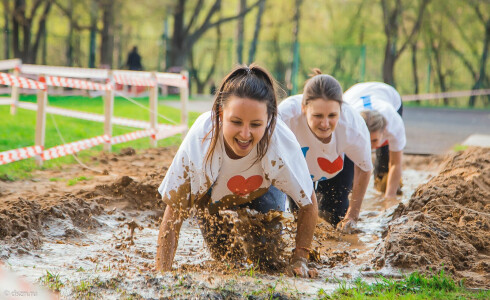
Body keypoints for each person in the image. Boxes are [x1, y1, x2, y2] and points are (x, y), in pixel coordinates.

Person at [155, 64, 318, 278]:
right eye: (236, 122)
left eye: (256, 124)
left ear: (269, 119)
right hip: (214, 197)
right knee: (225, 259)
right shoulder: (200, 141)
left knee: (267, 260)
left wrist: (300, 259)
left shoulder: (281, 144)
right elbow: (174, 213)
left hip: (262, 191)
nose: (245, 134)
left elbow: (308, 203)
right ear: (222, 114)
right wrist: (161, 274)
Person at [278, 70, 373, 233]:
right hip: (300, 166)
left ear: (341, 110)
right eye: (318, 115)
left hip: (336, 166)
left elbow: (365, 168)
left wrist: (352, 216)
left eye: (332, 115)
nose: (325, 124)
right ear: (303, 108)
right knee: (298, 219)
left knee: (333, 218)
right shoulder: (283, 117)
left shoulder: (353, 128)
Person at [343, 82, 405, 200]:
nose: (369, 147)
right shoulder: (347, 123)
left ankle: (382, 180)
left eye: (374, 140)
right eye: (366, 140)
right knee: (347, 177)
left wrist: (389, 198)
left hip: (388, 94)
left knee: (384, 173)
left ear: (384, 132)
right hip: (353, 95)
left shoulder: (394, 124)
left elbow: (396, 164)